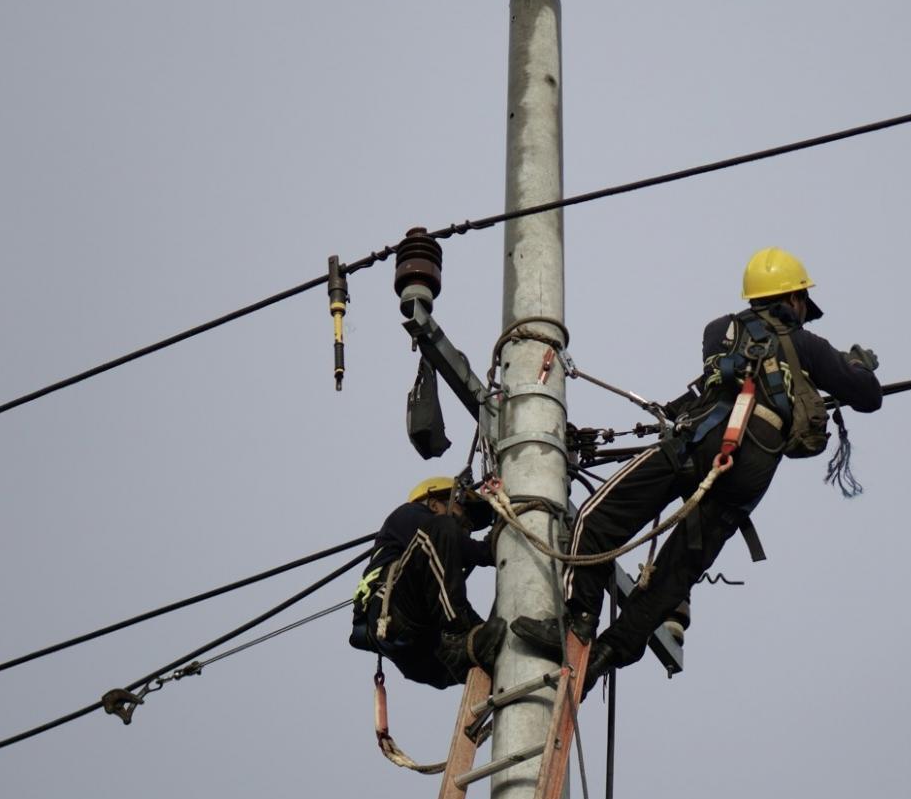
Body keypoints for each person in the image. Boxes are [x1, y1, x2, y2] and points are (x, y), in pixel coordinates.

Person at [512, 247, 882, 690]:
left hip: (701, 443)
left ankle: (577, 621)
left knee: (597, 517)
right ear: (791, 298)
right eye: (802, 300)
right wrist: (857, 365)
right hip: (751, 474)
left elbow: (716, 389)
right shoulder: (806, 346)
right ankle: (606, 655)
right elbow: (867, 395)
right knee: (674, 574)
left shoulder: (718, 330)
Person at [348, 475, 506, 689]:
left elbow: (450, 593)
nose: (465, 528)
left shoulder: (438, 565)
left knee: (495, 642)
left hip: (425, 654)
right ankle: (458, 639)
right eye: (463, 516)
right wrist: (495, 541)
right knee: (442, 528)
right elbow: (475, 551)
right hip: (394, 612)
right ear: (434, 504)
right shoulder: (408, 514)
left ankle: (483, 659)